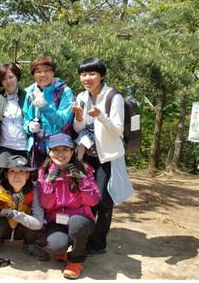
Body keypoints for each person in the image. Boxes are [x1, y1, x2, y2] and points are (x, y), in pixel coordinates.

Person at [72, 57, 125, 256]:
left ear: (101, 75)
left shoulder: (113, 97)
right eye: (83, 74)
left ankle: (98, 243)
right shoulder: (81, 97)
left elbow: (118, 130)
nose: (87, 78)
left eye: (92, 73)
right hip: (87, 155)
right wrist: (79, 117)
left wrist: (101, 116)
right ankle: (84, 236)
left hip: (107, 157)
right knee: (85, 196)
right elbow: (79, 128)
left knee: (103, 199)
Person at [37, 133, 100, 279]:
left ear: (72, 152)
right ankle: (63, 249)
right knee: (55, 245)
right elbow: (46, 204)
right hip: (56, 220)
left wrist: (82, 180)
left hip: (81, 219)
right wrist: (49, 183)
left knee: (76, 224)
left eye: (65, 149)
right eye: (56, 150)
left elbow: (94, 201)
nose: (60, 154)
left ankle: (76, 260)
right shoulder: (44, 171)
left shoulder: (85, 169)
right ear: (49, 152)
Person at [0, 155, 48, 261]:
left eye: (21, 171)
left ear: (27, 175)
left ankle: (29, 245)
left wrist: (11, 213)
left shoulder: (34, 191)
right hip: (3, 228)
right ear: (6, 175)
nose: (17, 176)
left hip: (24, 228)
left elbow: (38, 224)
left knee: (33, 220)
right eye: (12, 171)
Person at [22, 56, 74, 169]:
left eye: (46, 71)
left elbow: (64, 121)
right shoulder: (29, 92)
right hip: (35, 148)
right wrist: (29, 126)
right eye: (38, 71)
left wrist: (44, 107)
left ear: (53, 72)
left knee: (56, 182)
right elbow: (25, 118)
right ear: (33, 74)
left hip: (57, 148)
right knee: (37, 183)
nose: (43, 75)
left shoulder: (64, 91)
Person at [0, 63, 29, 164]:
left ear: (17, 77)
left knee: (21, 177)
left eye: (11, 77)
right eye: (4, 79)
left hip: (25, 147)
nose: (8, 81)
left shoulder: (27, 97)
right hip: (5, 147)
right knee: (4, 177)